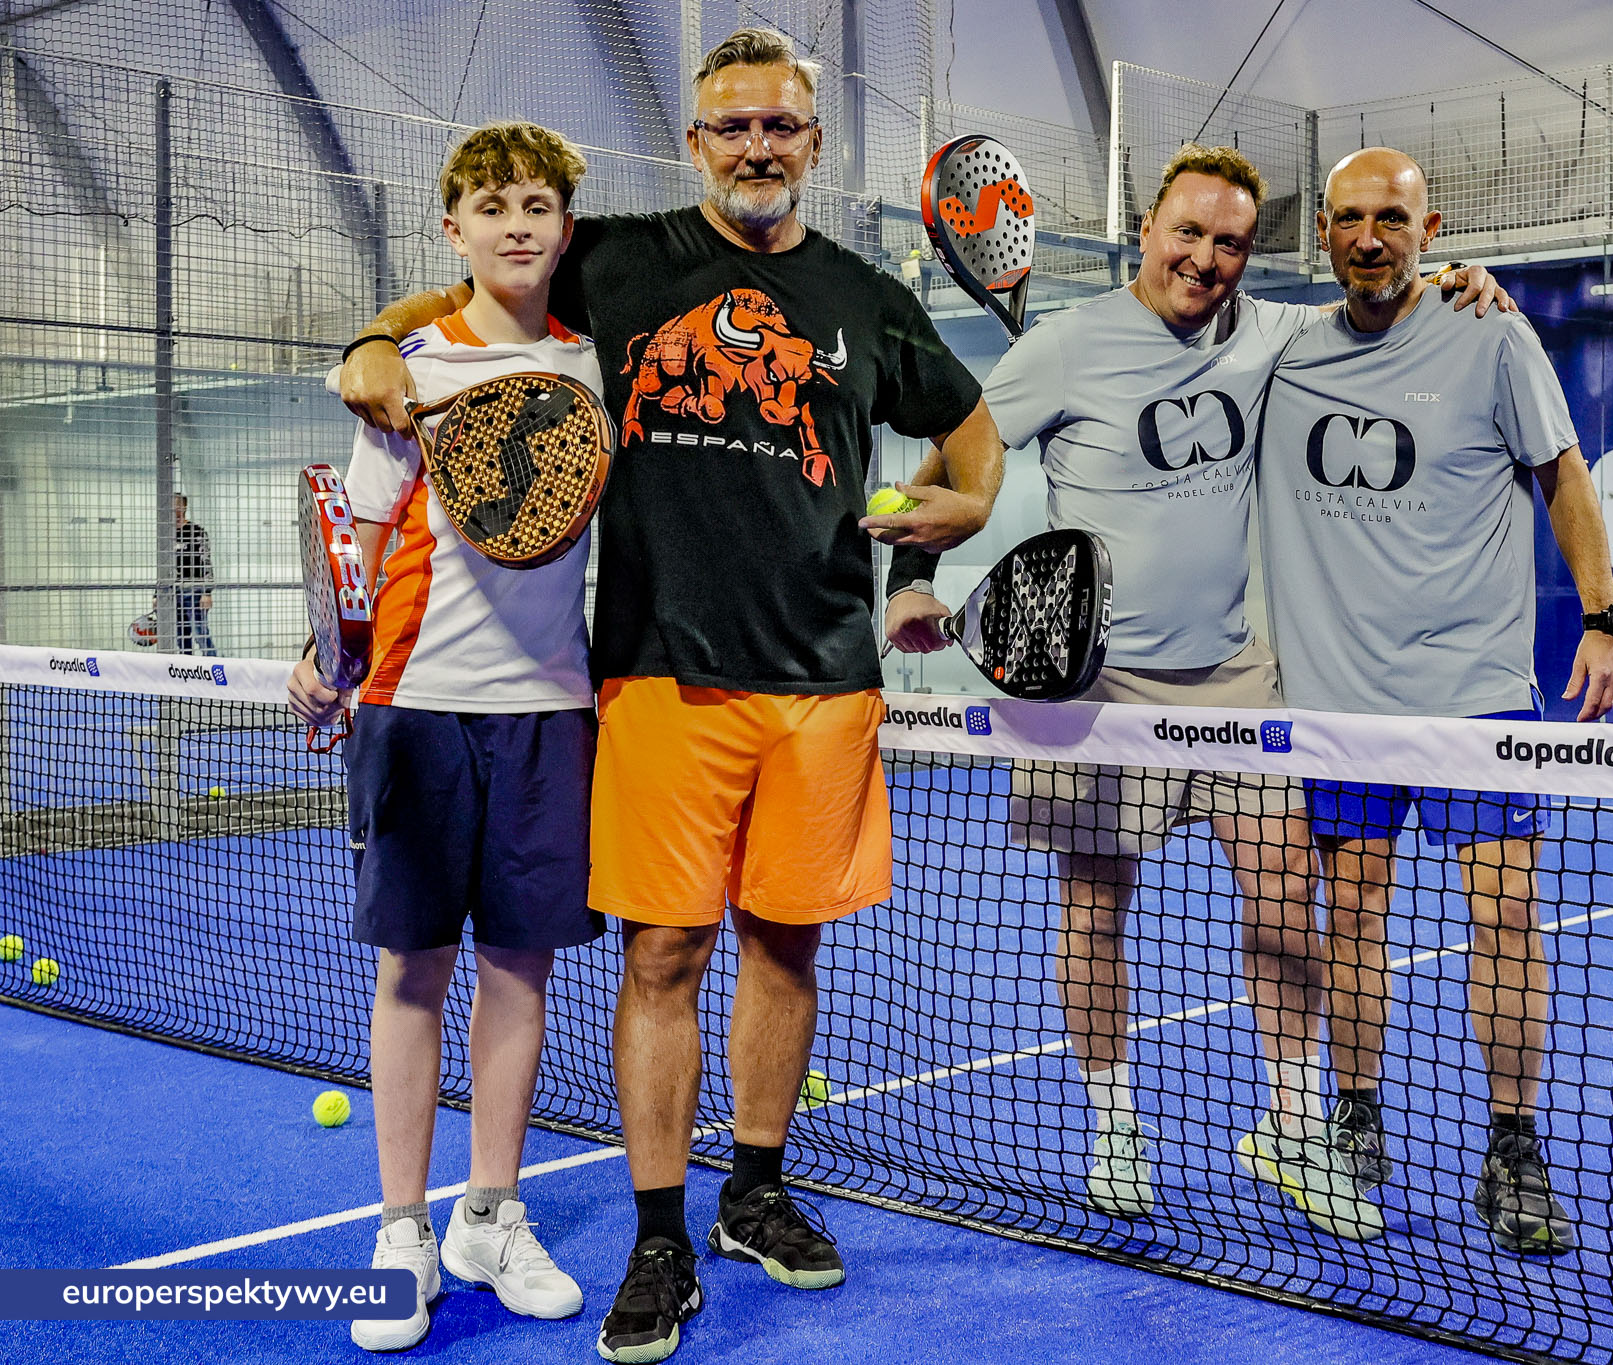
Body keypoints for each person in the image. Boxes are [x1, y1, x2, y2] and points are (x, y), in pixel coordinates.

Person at [337, 29, 1004, 1363]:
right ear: (697, 143)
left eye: (780, 125)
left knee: (785, 947)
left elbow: (968, 428)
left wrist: (968, 509)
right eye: (732, 126)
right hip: (653, 674)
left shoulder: (868, 296)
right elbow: (472, 281)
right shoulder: (618, 257)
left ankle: (753, 1191)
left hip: (824, 681)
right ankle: (657, 1237)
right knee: (661, 956)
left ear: (814, 142)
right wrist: (372, 337)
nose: (757, 146)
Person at [878, 144, 1509, 1244]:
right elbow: (950, 462)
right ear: (1146, 231)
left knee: (1285, 898)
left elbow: (1379, 303)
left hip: (1235, 674)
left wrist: (1462, 283)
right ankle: (1114, 1125)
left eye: (1229, 244)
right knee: (1094, 908)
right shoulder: (1063, 347)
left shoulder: (1274, 333)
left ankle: (1292, 1126)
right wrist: (909, 580)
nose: (1206, 259)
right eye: (1188, 233)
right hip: (1092, 687)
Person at [1257, 148, 1613, 1256]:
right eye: (1348, 219)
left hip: (1476, 700)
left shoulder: (1492, 336)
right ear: (1322, 234)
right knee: (1351, 916)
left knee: (1505, 915)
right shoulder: (1283, 349)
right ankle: (1356, 1115)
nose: (1369, 238)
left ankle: (1512, 1146)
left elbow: (1562, 474)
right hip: (1339, 705)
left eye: (1392, 218)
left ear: (1431, 229)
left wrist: (1604, 617)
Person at [289, 121, 599, 1352]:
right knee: (411, 971)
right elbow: (359, 545)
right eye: (492, 206)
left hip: (549, 712)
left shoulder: (595, 368)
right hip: (412, 706)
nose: (516, 225)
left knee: (521, 969)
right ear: (452, 228)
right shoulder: (405, 370)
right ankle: (402, 1230)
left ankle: (488, 1216)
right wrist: (325, 653)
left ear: (565, 229)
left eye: (537, 206)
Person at [172, 494, 218, 656]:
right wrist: (157, 594)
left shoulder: (196, 531)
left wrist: (207, 592)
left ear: (183, 507)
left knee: (201, 635)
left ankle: (216, 666)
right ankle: (186, 668)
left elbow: (206, 561)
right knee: (181, 637)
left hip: (194, 591)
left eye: (176, 505)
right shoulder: (166, 534)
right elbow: (162, 566)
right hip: (172, 592)